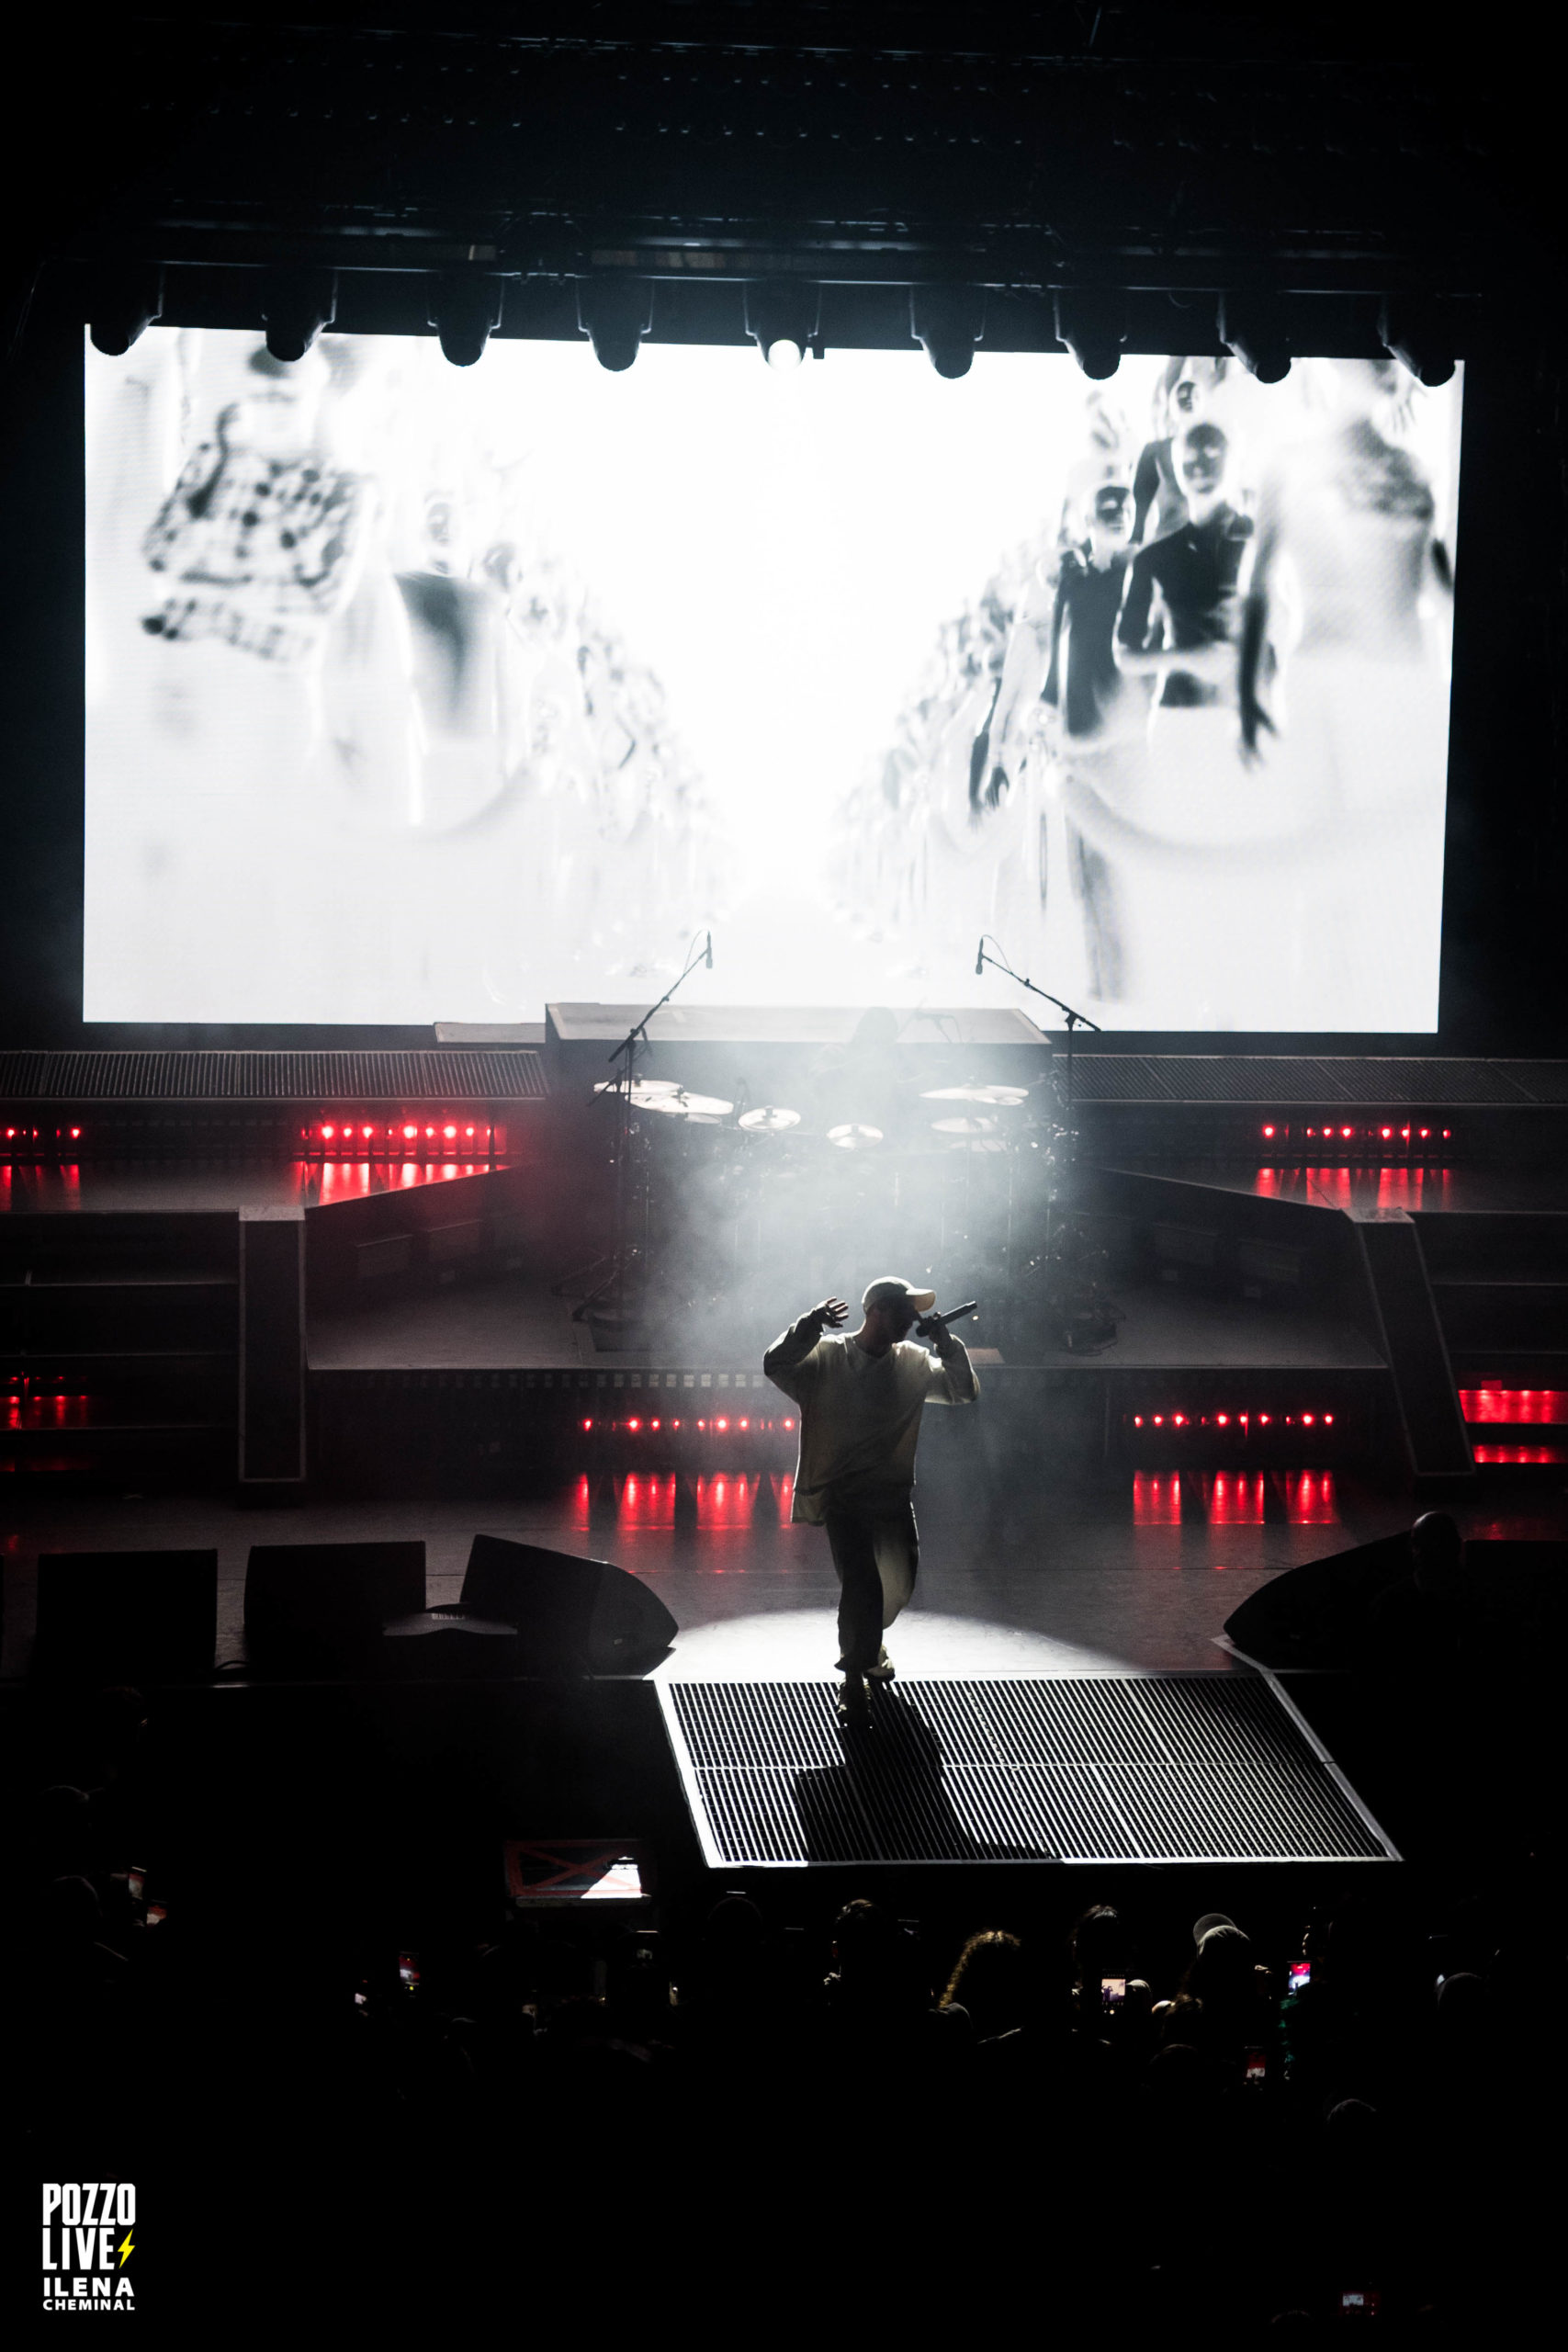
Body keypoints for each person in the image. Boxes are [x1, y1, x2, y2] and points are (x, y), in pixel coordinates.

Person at [762, 1276, 978, 1722]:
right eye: (904, 1310)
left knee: (897, 1586)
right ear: (877, 1310)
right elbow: (775, 1363)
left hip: (893, 1496)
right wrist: (809, 1326)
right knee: (862, 1585)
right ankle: (853, 1675)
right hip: (845, 1497)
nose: (913, 1320)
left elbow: (963, 1391)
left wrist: (948, 1345)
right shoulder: (828, 1358)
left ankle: (869, 1645)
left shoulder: (914, 1363)